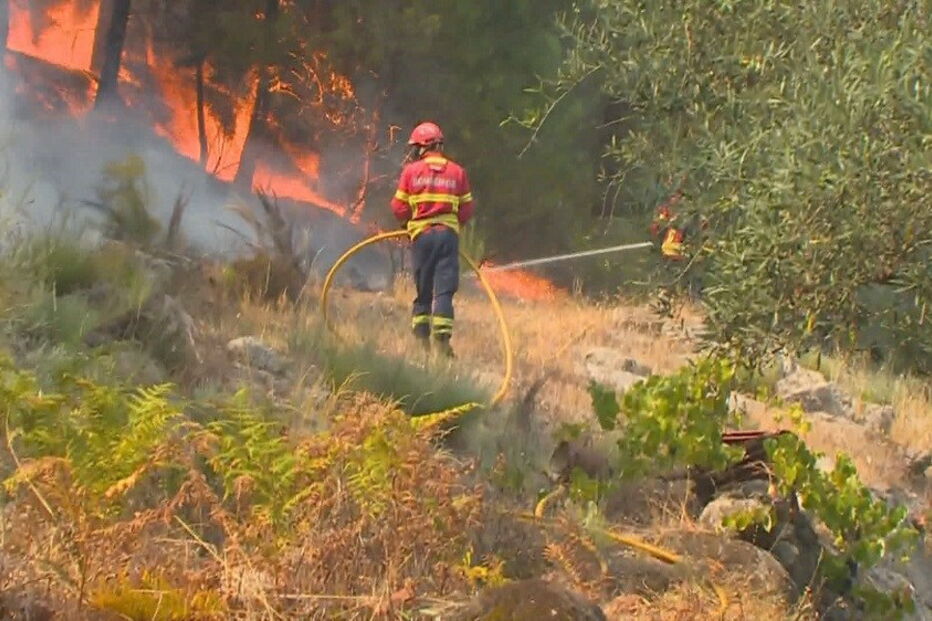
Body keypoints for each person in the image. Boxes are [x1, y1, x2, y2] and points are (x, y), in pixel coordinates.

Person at [390, 121, 474, 357]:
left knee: (423, 290)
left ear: (422, 147)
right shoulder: (457, 172)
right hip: (447, 237)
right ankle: (442, 343)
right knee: (444, 291)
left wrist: (408, 224)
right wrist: (455, 224)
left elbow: (398, 206)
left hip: (422, 238)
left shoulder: (411, 172)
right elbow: (466, 209)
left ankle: (421, 346)